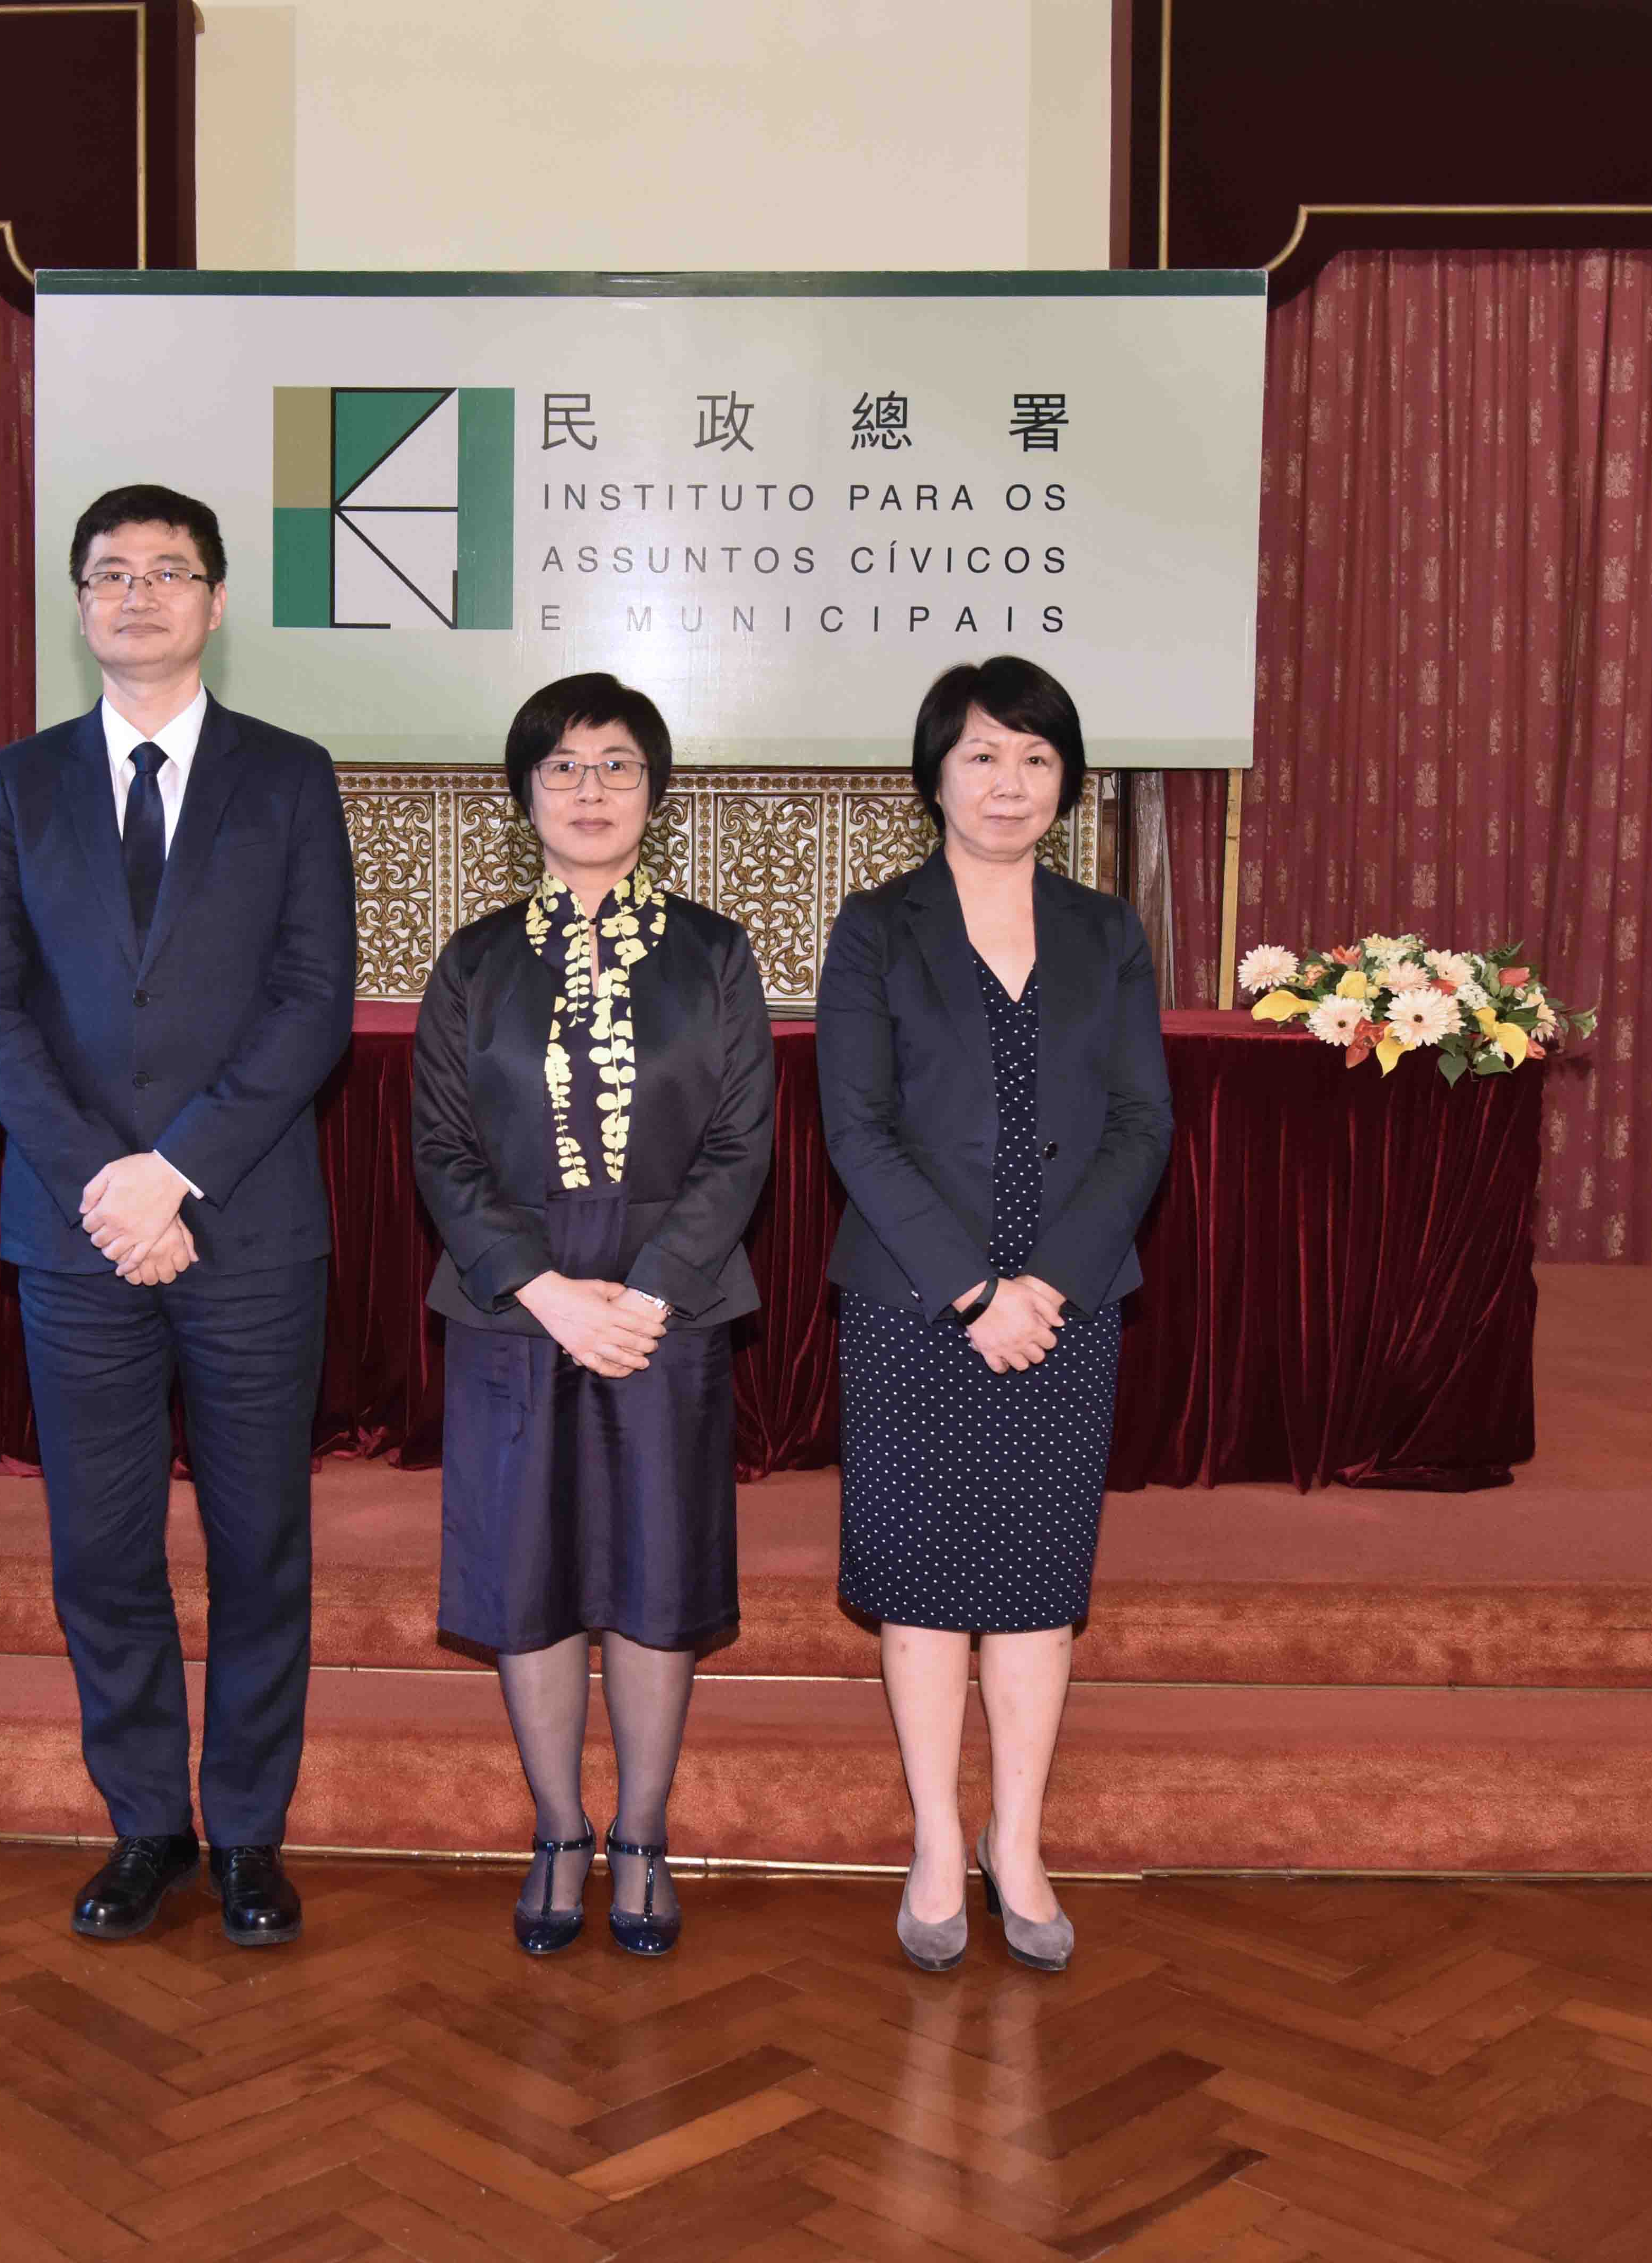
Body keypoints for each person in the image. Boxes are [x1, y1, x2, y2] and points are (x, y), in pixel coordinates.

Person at [0, 484, 356, 1947]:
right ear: (79, 607)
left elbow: (312, 1001)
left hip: (246, 1228)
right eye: (110, 573)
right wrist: (108, 1183)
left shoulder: (289, 777)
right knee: (103, 1551)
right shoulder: (19, 783)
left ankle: (247, 1833)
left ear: (217, 602)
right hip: (77, 1239)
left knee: (259, 1548)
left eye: (169, 572)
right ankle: (145, 1827)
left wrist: (175, 1170)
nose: (138, 594)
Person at [815, 655, 1172, 1974]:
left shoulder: (1105, 931)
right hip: (916, 1302)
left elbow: (1140, 1123)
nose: (1007, 782)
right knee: (920, 1591)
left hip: (1065, 1309)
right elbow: (855, 1127)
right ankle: (931, 1840)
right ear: (935, 775)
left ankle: (1014, 1842)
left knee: (1031, 1591)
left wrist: (1048, 1285)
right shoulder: (876, 926)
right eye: (980, 755)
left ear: (1064, 780)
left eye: (1033, 757)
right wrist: (973, 1289)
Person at [411, 673, 773, 1957]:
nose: (589, 789)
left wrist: (650, 1291)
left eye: (616, 765)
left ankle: (643, 1836)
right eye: (561, 767)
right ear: (524, 794)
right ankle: (560, 1830)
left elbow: (739, 1143)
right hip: (516, 1309)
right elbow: (442, 1148)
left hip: (667, 1311)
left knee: (655, 1573)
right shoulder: (472, 962)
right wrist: (545, 1292)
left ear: (654, 792)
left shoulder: (714, 952)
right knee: (531, 1573)